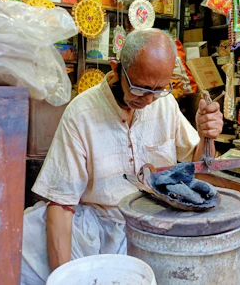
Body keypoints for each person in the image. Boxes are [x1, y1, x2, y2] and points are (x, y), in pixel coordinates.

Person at [20, 29, 223, 284]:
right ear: (117, 70)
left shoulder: (165, 103)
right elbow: (61, 204)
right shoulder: (82, 113)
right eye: (140, 88)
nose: (149, 99)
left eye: (159, 89)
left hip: (156, 220)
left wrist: (207, 136)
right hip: (100, 225)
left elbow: (200, 167)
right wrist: (64, 277)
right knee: (24, 237)